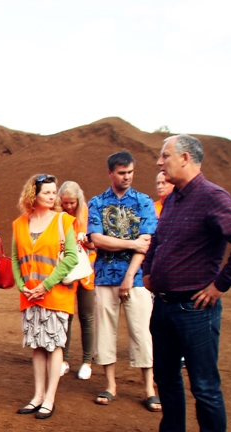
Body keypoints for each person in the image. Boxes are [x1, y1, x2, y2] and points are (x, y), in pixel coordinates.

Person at [132, 134, 231, 432]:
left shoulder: (212, 196)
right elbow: (158, 240)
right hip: (166, 306)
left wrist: (220, 284)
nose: (159, 162)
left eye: (164, 156)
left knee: (204, 385)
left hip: (196, 310)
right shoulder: (174, 200)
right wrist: (149, 271)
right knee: (166, 379)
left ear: (185, 158)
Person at [87, 151, 159, 410]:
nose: (126, 177)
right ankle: (110, 385)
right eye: (121, 173)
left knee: (142, 332)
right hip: (105, 276)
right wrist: (130, 243)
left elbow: (147, 243)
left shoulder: (143, 201)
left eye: (130, 172)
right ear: (110, 173)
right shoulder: (96, 202)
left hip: (136, 279)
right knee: (105, 332)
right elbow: (97, 239)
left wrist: (130, 275)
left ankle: (150, 387)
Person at [11, 174, 79, 419]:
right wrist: (21, 285)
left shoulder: (63, 221)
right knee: (37, 346)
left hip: (55, 294)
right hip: (30, 295)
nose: (52, 196)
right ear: (34, 195)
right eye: (47, 192)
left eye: (54, 192)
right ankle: (37, 395)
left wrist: (46, 285)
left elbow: (71, 257)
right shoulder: (20, 224)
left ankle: (50, 397)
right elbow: (16, 259)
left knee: (55, 344)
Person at [57, 181, 95, 380]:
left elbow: (97, 241)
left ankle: (87, 361)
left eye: (72, 203)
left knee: (87, 316)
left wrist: (89, 241)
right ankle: (64, 359)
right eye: (65, 203)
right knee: (67, 315)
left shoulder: (88, 214)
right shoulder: (59, 217)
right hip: (67, 272)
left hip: (87, 271)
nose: (69, 206)